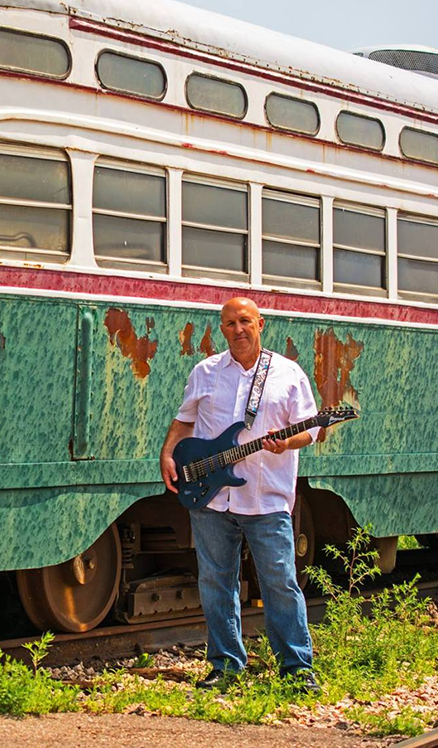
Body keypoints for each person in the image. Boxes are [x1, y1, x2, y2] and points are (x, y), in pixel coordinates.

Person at [160, 296, 321, 694]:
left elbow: (311, 429)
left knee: (280, 582)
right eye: (230, 323)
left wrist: (286, 443)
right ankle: (226, 666)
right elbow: (185, 420)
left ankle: (297, 667)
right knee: (216, 583)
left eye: (245, 321)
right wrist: (167, 453)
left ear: (260, 324)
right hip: (211, 498)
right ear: (222, 329)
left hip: (266, 499)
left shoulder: (287, 373)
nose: (238, 330)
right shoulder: (206, 371)